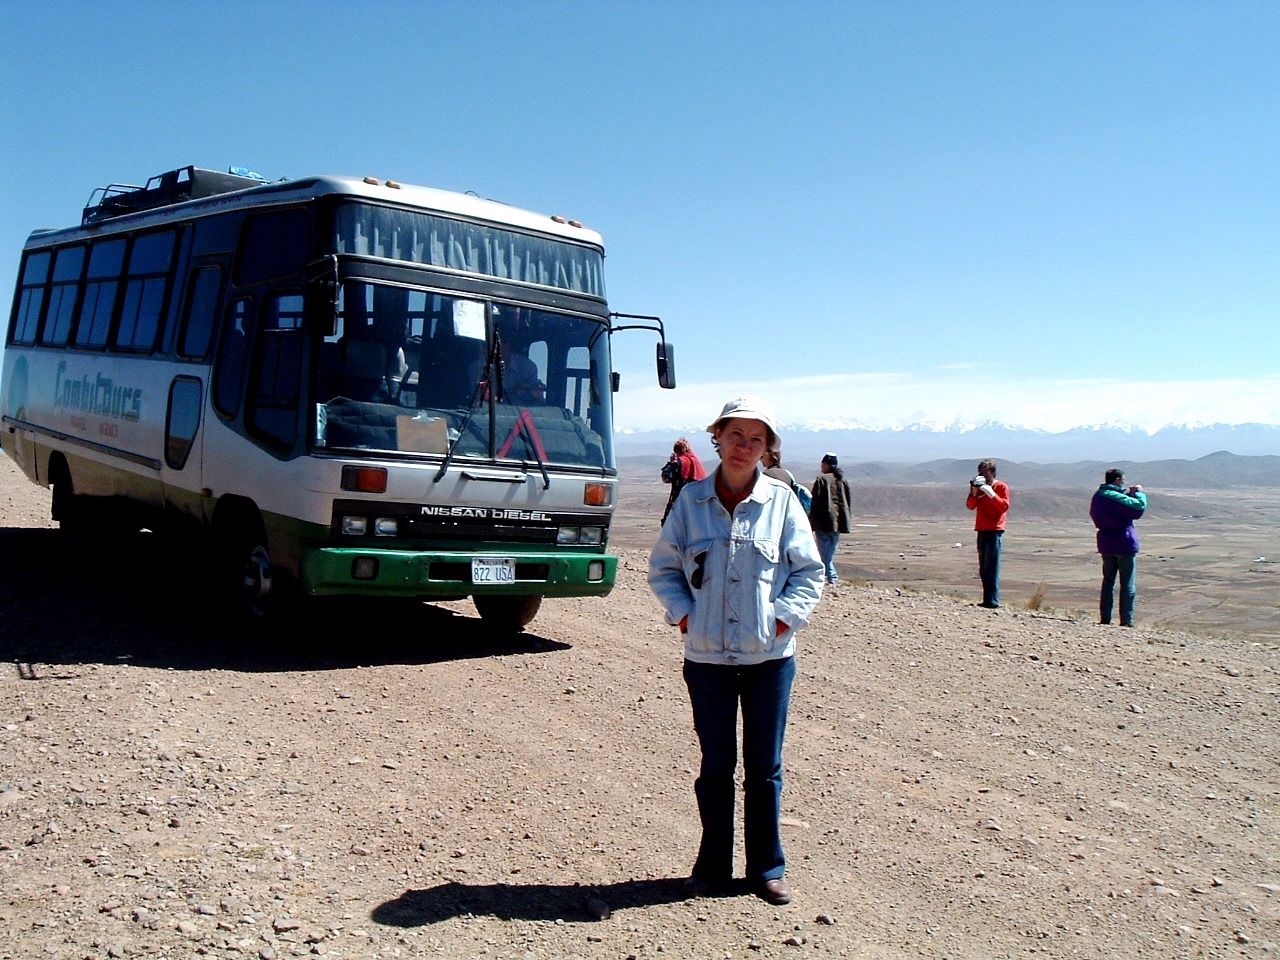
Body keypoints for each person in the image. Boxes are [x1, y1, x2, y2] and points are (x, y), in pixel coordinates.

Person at [648, 396, 824, 907]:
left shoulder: (783, 502)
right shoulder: (691, 501)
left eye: (756, 438)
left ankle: (766, 868)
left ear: (767, 449)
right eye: (735, 435)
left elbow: (809, 572)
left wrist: (783, 618)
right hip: (706, 657)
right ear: (718, 439)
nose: (743, 447)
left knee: (764, 766)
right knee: (716, 763)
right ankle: (711, 868)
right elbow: (663, 568)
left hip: (770, 659)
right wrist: (686, 615)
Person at [1090, 468, 1147, 627]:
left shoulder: (1098, 496)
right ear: (1116, 480)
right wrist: (1139, 493)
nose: (1123, 482)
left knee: (1108, 582)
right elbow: (1138, 508)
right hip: (1124, 542)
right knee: (1127, 583)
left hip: (1105, 542)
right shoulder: (1115, 496)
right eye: (1122, 480)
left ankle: (1105, 618)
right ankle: (1126, 620)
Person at [965, 458, 1010, 609]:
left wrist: (990, 493)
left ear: (992, 473)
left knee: (992, 565)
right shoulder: (978, 488)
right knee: (983, 567)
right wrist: (974, 491)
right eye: (980, 472)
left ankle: (993, 600)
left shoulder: (1001, 487)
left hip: (994, 530)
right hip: (981, 529)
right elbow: (970, 506)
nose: (983, 475)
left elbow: (1003, 507)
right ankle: (987, 599)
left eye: (985, 472)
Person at [807, 453, 852, 584]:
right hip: (839, 522)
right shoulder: (843, 481)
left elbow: (815, 503)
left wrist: (811, 522)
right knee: (828, 553)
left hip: (824, 522)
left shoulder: (821, 480)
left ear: (826, 464)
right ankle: (828, 578)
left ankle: (832, 577)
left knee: (825, 554)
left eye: (823, 463)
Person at [661, 438, 707, 525]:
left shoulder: (679, 462)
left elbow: (666, 477)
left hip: (681, 505)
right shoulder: (696, 461)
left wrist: (671, 463)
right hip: (699, 506)